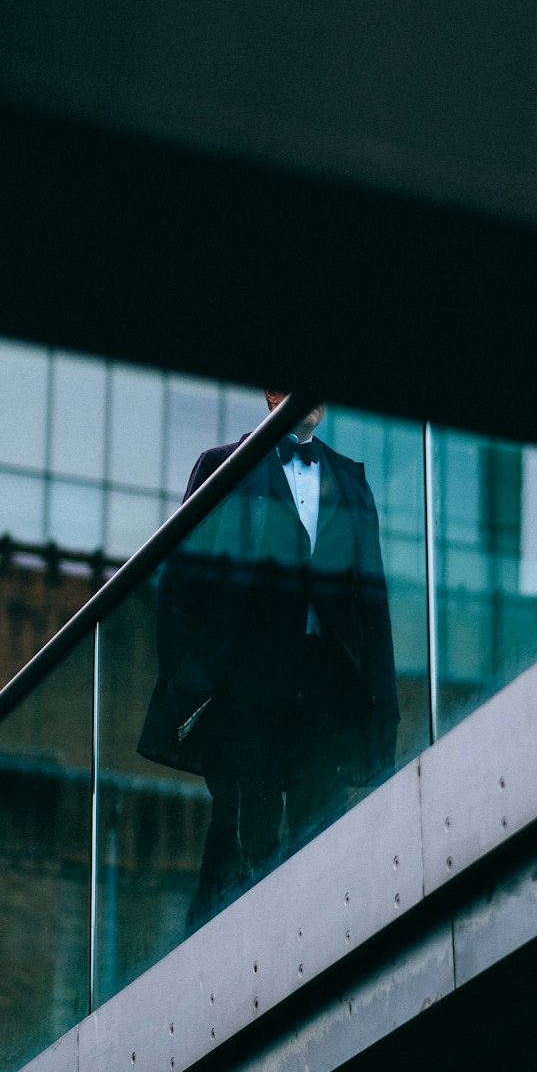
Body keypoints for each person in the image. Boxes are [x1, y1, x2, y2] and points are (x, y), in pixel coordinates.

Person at [138, 391, 399, 933]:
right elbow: (180, 582)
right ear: (273, 392)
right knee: (242, 827)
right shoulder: (223, 467)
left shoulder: (350, 480)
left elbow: (372, 603)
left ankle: (320, 944)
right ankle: (207, 954)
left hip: (326, 687)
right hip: (245, 686)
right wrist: (186, 682)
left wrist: (384, 710)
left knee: (321, 827)